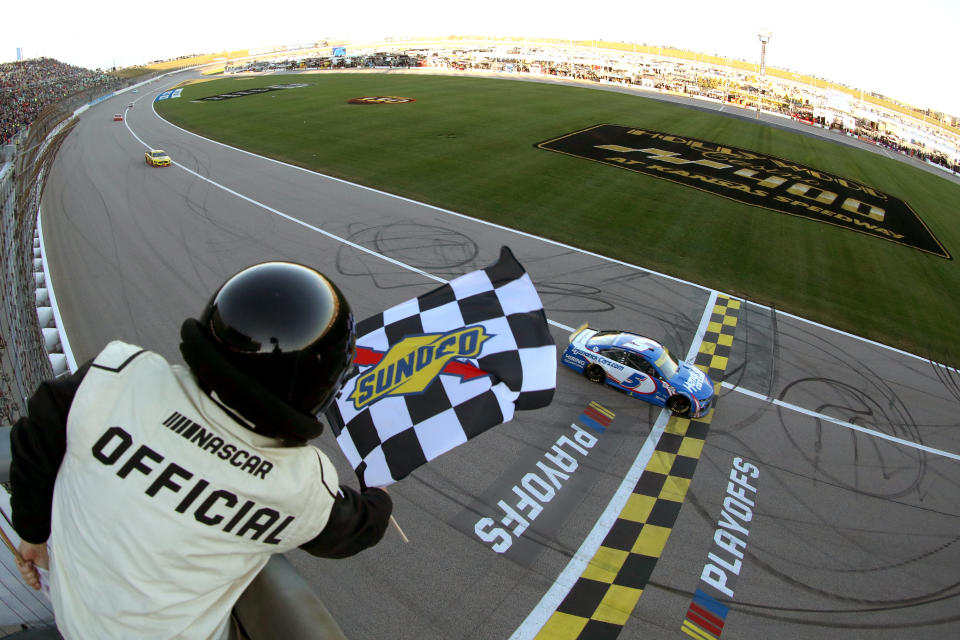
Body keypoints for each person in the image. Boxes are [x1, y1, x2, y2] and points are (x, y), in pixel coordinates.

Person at [9, 261, 392, 639]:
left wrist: (32, 532)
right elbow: (354, 529)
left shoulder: (117, 375)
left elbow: (36, 433)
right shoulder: (300, 483)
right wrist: (378, 498)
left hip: (72, 624)